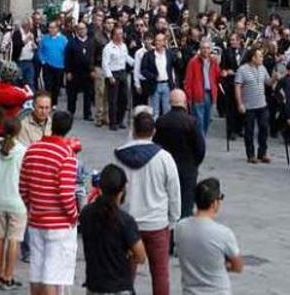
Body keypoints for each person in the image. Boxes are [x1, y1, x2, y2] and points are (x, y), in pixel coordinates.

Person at [114, 111, 181, 295]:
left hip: (128, 222)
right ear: (154, 131)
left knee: (126, 273)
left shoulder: (120, 157)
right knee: (160, 274)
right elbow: (174, 192)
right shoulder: (164, 158)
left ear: (133, 130)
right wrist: (173, 219)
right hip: (157, 223)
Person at [19, 111, 80, 295]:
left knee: (37, 271)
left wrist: (32, 205)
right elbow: (66, 193)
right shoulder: (67, 154)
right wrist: (74, 215)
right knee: (53, 276)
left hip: (36, 219)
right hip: (59, 223)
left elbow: (23, 186)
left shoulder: (33, 149)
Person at [79, 164, 146, 295]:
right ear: (121, 192)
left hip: (95, 285)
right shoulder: (125, 221)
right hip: (119, 286)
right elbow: (141, 256)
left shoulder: (86, 213)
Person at [175, 178, 244, 294]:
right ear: (214, 203)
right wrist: (224, 265)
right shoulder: (224, 233)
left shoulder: (180, 227)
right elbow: (238, 266)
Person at [0, 118, 27, 289]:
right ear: (18, 131)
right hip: (17, 200)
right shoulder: (23, 151)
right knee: (14, 240)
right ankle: (9, 275)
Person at [154, 90, 206, 219]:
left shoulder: (161, 121)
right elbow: (200, 148)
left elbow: (156, 146)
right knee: (186, 206)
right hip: (187, 169)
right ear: (185, 102)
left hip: (166, 168)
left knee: (166, 203)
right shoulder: (191, 122)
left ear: (170, 103)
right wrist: (194, 164)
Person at [235, 48, 273, 164]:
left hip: (262, 104)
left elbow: (268, 82)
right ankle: (250, 154)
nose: (262, 58)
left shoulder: (262, 68)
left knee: (264, 128)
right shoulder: (242, 70)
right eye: (260, 56)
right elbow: (237, 87)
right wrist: (240, 103)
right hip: (249, 105)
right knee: (249, 131)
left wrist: (275, 78)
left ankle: (262, 152)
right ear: (253, 58)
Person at [184, 39, 220, 136]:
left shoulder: (213, 62)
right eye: (203, 48)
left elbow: (217, 77)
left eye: (208, 48)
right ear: (200, 49)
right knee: (199, 121)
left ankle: (201, 139)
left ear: (210, 50)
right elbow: (188, 81)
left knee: (207, 120)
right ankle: (201, 142)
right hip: (198, 93)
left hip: (210, 94)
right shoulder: (193, 62)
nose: (205, 50)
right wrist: (189, 98)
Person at [103, 26, 135, 131]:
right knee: (113, 100)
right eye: (117, 34)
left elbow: (126, 58)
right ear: (113, 35)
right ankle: (113, 122)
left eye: (121, 34)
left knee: (124, 98)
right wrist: (110, 76)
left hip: (122, 72)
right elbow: (105, 64)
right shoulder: (108, 48)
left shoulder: (124, 46)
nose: (120, 36)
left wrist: (136, 63)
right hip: (113, 73)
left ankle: (120, 120)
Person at [65, 22, 95, 120]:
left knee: (88, 94)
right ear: (77, 31)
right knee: (72, 94)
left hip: (88, 72)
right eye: (79, 29)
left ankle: (87, 113)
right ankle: (70, 112)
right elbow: (67, 58)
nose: (82, 31)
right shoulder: (71, 42)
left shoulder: (91, 42)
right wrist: (68, 71)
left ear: (86, 30)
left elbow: (94, 56)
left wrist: (93, 69)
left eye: (83, 28)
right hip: (74, 72)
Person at [142, 32, 176, 117]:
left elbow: (176, 66)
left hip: (167, 85)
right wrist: (152, 76)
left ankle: (165, 129)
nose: (157, 42)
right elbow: (143, 70)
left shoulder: (170, 54)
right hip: (154, 85)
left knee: (167, 111)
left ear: (164, 42)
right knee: (154, 112)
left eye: (160, 41)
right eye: (156, 40)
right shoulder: (148, 54)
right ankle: (154, 129)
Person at [38, 21, 68, 107]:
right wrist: (42, 60)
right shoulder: (44, 38)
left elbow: (67, 52)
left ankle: (54, 102)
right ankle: (48, 102)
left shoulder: (63, 39)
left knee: (57, 85)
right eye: (49, 27)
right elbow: (40, 50)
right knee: (48, 85)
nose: (51, 29)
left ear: (57, 29)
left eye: (53, 27)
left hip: (59, 65)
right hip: (47, 65)